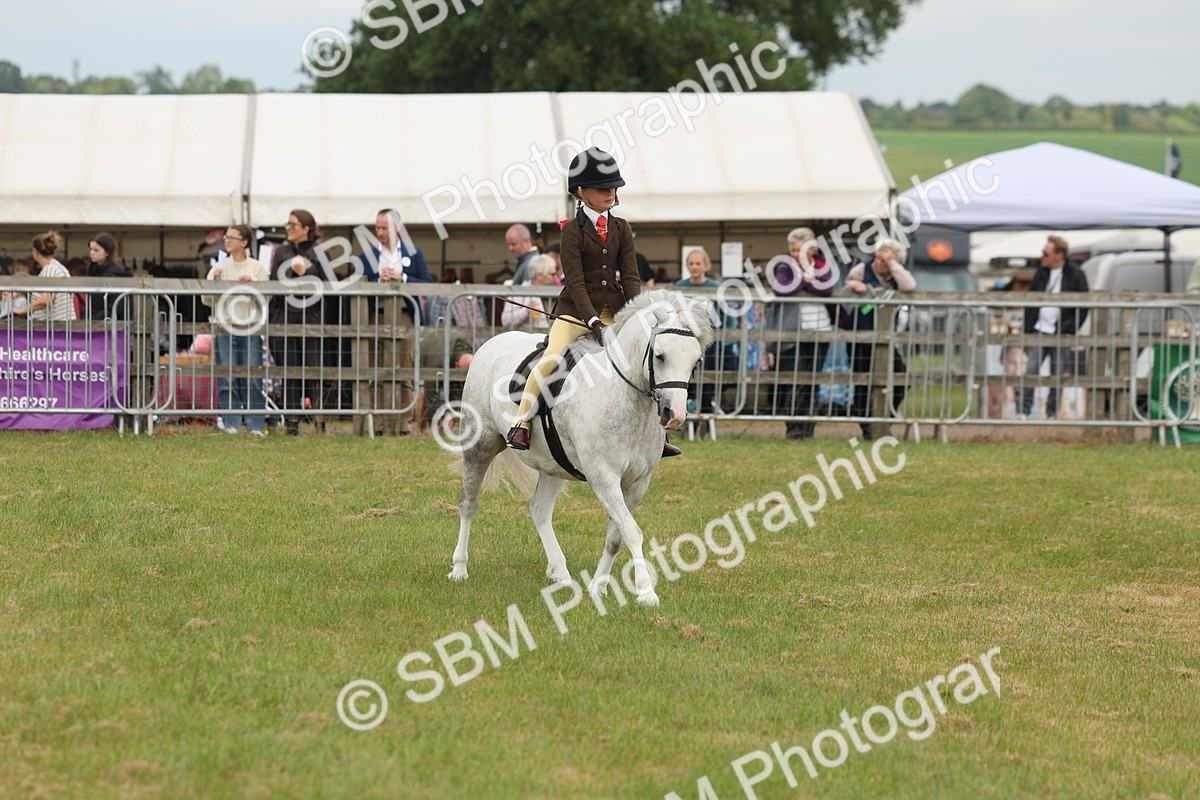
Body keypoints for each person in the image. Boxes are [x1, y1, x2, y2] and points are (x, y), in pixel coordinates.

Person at [507, 147, 685, 458]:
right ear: (581, 191)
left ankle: (655, 434)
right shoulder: (571, 232)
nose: (611, 193)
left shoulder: (621, 228)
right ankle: (521, 421)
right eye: (603, 188)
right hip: (576, 310)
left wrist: (640, 313)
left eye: (614, 187)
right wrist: (591, 321)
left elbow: (630, 278)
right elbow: (574, 283)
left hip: (615, 309)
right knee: (551, 356)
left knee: (643, 360)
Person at [354, 208, 433, 436]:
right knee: (376, 367)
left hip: (404, 313)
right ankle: (378, 423)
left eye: (384, 227)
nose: (380, 232)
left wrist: (402, 278)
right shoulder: (366, 256)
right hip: (376, 315)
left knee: (404, 367)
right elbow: (358, 283)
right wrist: (378, 280)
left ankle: (403, 423)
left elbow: (427, 282)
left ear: (397, 228)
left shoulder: (414, 253)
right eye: (377, 228)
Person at [844, 238, 917, 439]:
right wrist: (856, 285)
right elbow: (848, 282)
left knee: (902, 378)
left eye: (884, 259)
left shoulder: (896, 273)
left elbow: (909, 285)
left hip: (886, 337)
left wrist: (893, 263)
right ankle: (867, 428)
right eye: (878, 257)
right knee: (862, 382)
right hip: (860, 335)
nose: (878, 262)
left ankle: (885, 419)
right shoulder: (862, 268)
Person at [764, 228, 833, 440]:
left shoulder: (821, 265)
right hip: (794, 332)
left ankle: (807, 428)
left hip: (820, 330)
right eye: (792, 250)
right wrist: (806, 282)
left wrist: (803, 283)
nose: (795, 254)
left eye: (799, 249)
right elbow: (780, 289)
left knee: (813, 380)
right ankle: (793, 428)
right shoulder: (787, 266)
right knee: (794, 379)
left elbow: (827, 288)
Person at [202, 225, 269, 436]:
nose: (227, 240)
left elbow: (267, 299)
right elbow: (206, 299)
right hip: (225, 325)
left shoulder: (257, 267)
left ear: (244, 242)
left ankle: (255, 425)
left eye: (232, 237)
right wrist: (215, 282)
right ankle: (230, 422)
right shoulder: (218, 267)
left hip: (251, 326)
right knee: (227, 375)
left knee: (252, 376)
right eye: (226, 237)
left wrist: (254, 284)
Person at [269, 209, 328, 435]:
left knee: (314, 369)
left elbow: (329, 282)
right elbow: (274, 282)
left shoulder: (318, 252)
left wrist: (307, 271)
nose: (288, 228)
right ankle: (292, 421)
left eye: (294, 225)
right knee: (289, 369)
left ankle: (320, 421)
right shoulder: (281, 251)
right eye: (288, 224)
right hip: (284, 314)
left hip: (311, 314)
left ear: (306, 229)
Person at [1019, 235, 1089, 420]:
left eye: (1046, 253)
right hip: (1040, 330)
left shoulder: (1076, 274)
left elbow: (1084, 305)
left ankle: (1052, 413)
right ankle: (1024, 411)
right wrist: (1027, 328)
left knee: (1057, 374)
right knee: (1031, 370)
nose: (1043, 257)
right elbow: (1030, 301)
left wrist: (1070, 328)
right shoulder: (1041, 273)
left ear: (1060, 255)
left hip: (1062, 333)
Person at [675, 248, 738, 424]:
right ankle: (686, 416)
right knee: (687, 378)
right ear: (687, 265)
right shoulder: (680, 287)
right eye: (691, 263)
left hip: (710, 343)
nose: (694, 267)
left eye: (698, 263)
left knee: (708, 380)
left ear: (705, 266)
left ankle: (706, 414)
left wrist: (724, 339)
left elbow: (728, 318)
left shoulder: (715, 288)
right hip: (686, 341)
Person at [11, 233, 76, 323]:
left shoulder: (51, 269)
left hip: (56, 327)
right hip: (59, 326)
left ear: (35, 251)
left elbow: (46, 299)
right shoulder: (55, 268)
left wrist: (23, 310)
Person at [501, 253, 557, 330]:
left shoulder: (554, 291)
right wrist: (526, 311)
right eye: (552, 274)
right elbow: (506, 321)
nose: (555, 278)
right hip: (527, 339)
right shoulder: (520, 292)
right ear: (539, 275)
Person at [86, 233, 132, 322]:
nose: (91, 253)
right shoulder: (95, 271)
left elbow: (118, 306)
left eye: (96, 250)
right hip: (99, 323)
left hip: (110, 326)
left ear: (107, 252)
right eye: (91, 249)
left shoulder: (115, 274)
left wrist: (95, 318)